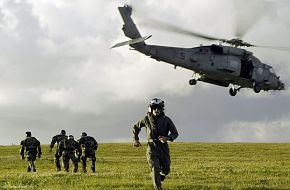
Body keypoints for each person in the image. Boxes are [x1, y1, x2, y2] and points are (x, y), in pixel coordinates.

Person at [132, 98, 179, 190]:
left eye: (158, 108)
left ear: (161, 109)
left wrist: (168, 138)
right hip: (151, 148)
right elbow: (136, 127)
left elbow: (175, 133)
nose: (156, 110)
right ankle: (158, 187)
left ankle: (160, 175)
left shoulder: (167, 120)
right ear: (150, 109)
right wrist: (135, 139)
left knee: (166, 170)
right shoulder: (146, 119)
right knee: (155, 168)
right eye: (154, 108)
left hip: (163, 147)